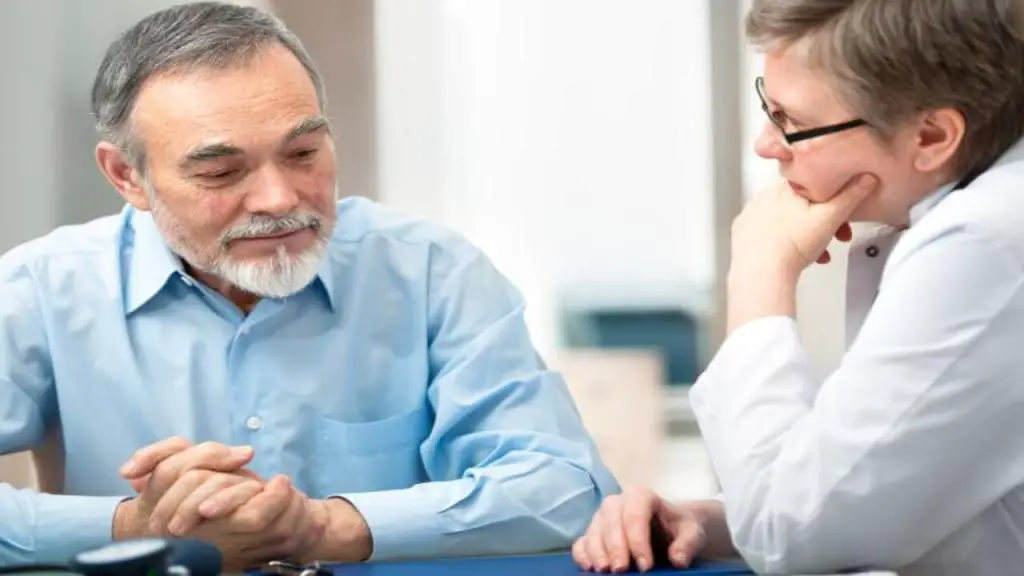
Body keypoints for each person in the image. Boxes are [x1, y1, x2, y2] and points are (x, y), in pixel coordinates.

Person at [0, 2, 619, 570]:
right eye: (222, 172)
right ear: (126, 176)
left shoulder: (432, 272)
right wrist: (130, 526)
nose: (278, 199)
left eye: (302, 153)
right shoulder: (43, 289)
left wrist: (330, 526)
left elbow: (564, 487)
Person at [573, 1, 1024, 575]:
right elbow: (884, 487)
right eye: (769, 106)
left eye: (792, 121)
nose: (766, 144)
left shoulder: (984, 241)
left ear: (932, 135)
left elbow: (791, 534)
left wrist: (761, 273)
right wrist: (714, 522)